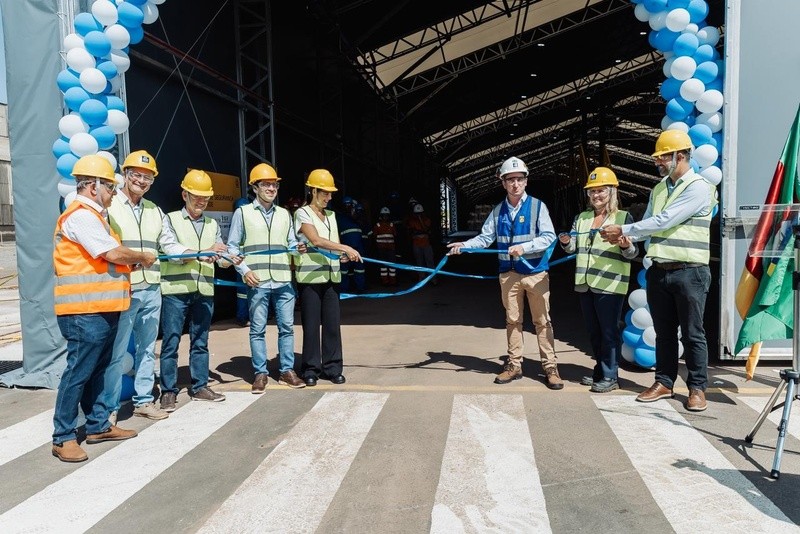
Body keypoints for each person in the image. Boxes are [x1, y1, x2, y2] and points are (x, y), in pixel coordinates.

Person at [600, 129, 715, 411]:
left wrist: (624, 228)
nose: (658, 163)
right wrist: (627, 238)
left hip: (690, 271)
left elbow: (664, 220)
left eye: (662, 158)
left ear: (680, 155)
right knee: (664, 332)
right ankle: (664, 382)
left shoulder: (699, 187)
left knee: (692, 333)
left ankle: (697, 388)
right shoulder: (660, 188)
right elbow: (650, 223)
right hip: (660, 270)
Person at [51, 155, 156, 462]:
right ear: (93, 186)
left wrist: (127, 264)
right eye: (110, 186)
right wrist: (142, 256)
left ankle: (97, 425)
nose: (113, 191)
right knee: (78, 373)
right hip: (84, 311)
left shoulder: (96, 218)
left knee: (96, 370)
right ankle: (63, 436)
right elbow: (110, 251)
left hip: (103, 307)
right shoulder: (81, 215)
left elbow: (103, 262)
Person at [447, 156, 563, 390]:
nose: (515, 184)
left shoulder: (538, 207)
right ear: (503, 183)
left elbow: (549, 237)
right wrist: (464, 246)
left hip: (535, 273)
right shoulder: (498, 211)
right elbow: (485, 237)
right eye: (510, 180)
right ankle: (514, 365)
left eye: (519, 179)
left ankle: (550, 367)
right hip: (508, 275)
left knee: (542, 321)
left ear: (526, 181)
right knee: (512, 321)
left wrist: (525, 247)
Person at [103, 150, 187, 423]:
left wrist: (197, 252)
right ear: (125, 175)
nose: (142, 180)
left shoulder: (155, 211)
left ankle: (143, 401)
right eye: (136, 175)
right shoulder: (110, 207)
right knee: (116, 351)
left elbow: (169, 244)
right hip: (122, 288)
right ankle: (110, 408)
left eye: (147, 177)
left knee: (147, 348)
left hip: (151, 287)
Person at [158, 170, 240, 412]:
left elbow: (217, 257)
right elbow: (172, 250)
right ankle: (168, 391)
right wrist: (204, 251)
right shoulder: (170, 219)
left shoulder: (212, 223)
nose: (201, 201)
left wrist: (230, 258)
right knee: (171, 342)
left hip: (204, 290)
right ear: (184, 194)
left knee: (201, 341)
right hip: (176, 289)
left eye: (205, 197)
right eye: (196, 196)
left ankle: (200, 386)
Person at [227, 163, 307, 392]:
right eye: (266, 184)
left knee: (287, 328)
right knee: (257, 329)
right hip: (258, 280)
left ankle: (286, 371)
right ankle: (260, 373)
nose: (272, 188)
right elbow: (232, 248)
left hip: (282, 280)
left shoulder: (284, 214)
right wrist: (246, 271)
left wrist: (297, 248)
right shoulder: (242, 213)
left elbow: (290, 243)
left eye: (274, 184)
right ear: (255, 187)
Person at [559, 167, 638, 393]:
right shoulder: (582, 218)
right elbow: (572, 248)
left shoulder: (623, 218)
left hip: (610, 285)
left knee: (609, 331)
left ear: (612, 192)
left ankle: (611, 375)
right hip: (585, 283)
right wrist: (565, 241)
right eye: (592, 192)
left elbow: (632, 253)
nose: (596, 196)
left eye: (601, 191)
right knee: (594, 331)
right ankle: (600, 371)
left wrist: (625, 244)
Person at [294, 169, 362, 387]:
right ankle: (311, 369)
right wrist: (346, 247)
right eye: (325, 193)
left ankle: (333, 367)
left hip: (332, 276)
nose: (329, 197)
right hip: (310, 279)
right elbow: (316, 240)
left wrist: (340, 256)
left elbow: (331, 244)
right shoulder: (302, 213)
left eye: (331, 194)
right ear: (313, 191)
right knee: (312, 326)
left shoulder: (332, 216)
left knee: (332, 325)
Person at [336, 202, 366, 292]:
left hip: (357, 248)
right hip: (345, 248)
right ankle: (345, 289)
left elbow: (365, 236)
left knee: (359, 270)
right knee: (345, 271)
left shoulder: (359, 220)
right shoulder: (341, 218)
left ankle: (358, 288)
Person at [233, 194, 252, 327]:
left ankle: (243, 316)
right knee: (242, 292)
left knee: (245, 291)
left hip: (245, 260)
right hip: (240, 261)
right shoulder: (239, 220)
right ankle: (242, 316)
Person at [406, 203, 437, 285]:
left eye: (420, 213)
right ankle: (422, 278)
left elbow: (425, 229)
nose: (418, 215)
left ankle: (433, 279)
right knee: (419, 262)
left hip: (426, 244)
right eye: (417, 214)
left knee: (429, 261)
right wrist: (418, 231)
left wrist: (420, 221)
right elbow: (411, 231)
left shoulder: (427, 220)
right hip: (416, 243)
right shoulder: (412, 221)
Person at [372, 207, 397, 285]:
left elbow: (395, 236)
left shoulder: (392, 225)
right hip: (381, 249)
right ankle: (385, 282)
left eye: (387, 215)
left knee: (392, 266)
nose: (385, 217)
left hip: (391, 249)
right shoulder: (377, 225)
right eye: (384, 215)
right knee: (383, 267)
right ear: (381, 216)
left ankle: (393, 281)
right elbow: (374, 237)